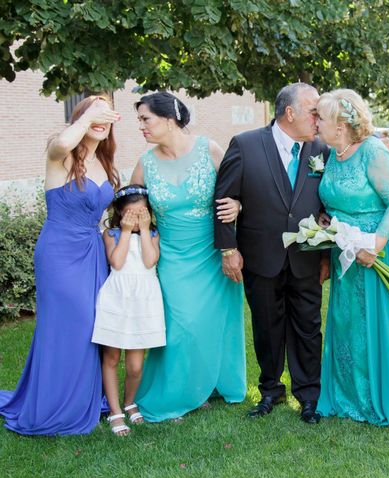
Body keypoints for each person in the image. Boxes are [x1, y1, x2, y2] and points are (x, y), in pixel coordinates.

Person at [0, 95, 120, 435]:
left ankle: (83, 398)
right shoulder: (60, 152)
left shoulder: (106, 161)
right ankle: (56, 405)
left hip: (93, 251)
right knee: (71, 323)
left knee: (93, 325)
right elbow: (67, 139)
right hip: (60, 252)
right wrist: (91, 115)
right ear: (80, 116)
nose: (100, 120)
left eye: (106, 114)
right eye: (93, 112)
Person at [214, 83, 329, 424]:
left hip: (306, 256)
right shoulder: (246, 145)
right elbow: (223, 200)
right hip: (260, 255)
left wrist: (326, 243)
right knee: (266, 325)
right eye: (313, 111)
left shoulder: (321, 149)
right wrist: (228, 248)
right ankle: (269, 390)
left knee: (309, 326)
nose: (318, 119)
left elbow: (327, 199)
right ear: (289, 112)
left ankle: (309, 395)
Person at [130, 92, 245, 422]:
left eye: (145, 119)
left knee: (213, 323)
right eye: (139, 120)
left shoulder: (209, 149)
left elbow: (239, 190)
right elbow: (131, 206)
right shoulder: (145, 163)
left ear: (168, 119)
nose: (141, 126)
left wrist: (237, 205)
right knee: (181, 326)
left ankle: (211, 387)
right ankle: (177, 393)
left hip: (213, 253)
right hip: (172, 258)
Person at [315, 89, 389, 425]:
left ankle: (375, 397)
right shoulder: (332, 153)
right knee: (348, 320)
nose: (315, 122)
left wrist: (374, 246)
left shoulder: (373, 152)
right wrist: (328, 222)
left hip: (386, 244)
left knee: (375, 320)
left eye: (321, 117)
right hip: (345, 246)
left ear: (341, 125)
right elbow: (334, 198)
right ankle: (347, 394)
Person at [91, 184, 165, 436]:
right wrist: (124, 231)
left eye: (142, 213)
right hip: (117, 298)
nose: (137, 218)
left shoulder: (153, 234)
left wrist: (144, 229)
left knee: (135, 365)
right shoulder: (110, 234)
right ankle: (115, 411)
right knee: (111, 358)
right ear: (120, 214)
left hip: (144, 300)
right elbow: (117, 262)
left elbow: (149, 261)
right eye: (131, 214)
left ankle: (130, 401)